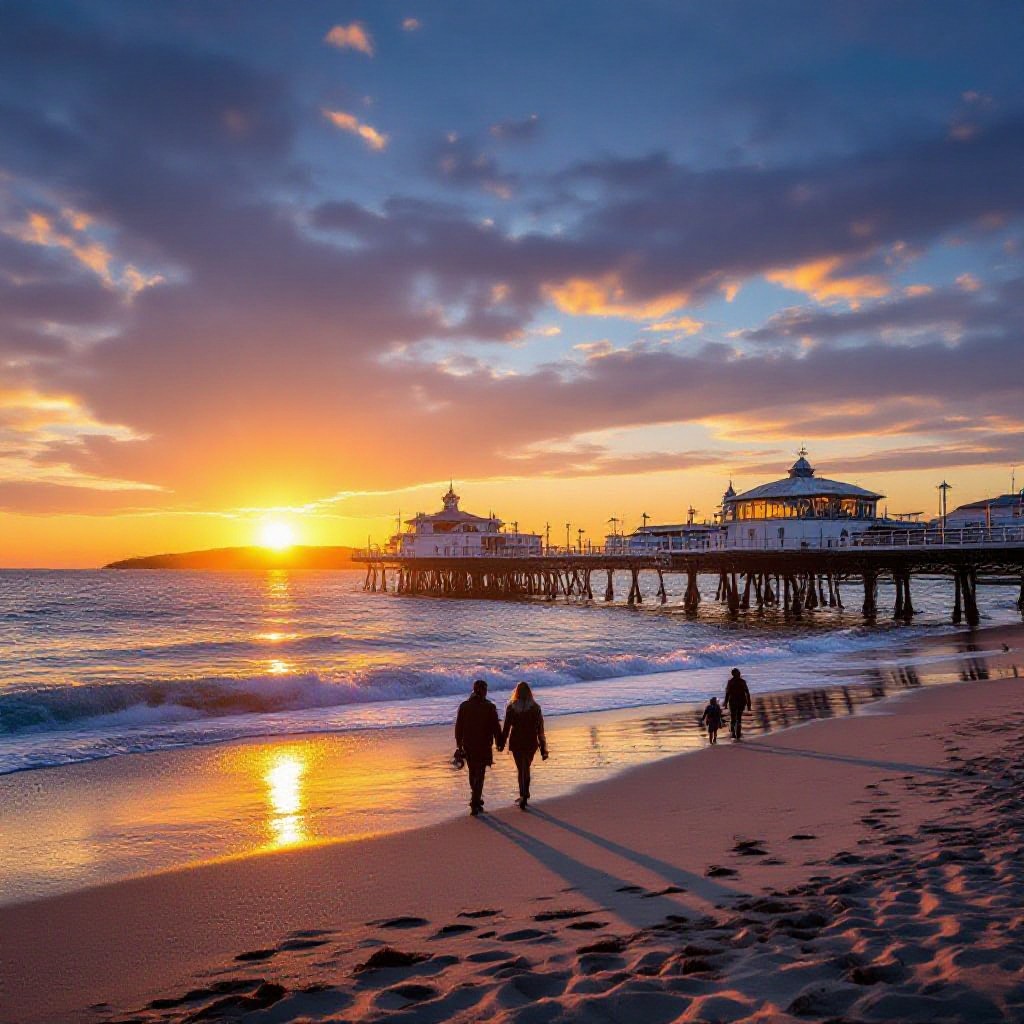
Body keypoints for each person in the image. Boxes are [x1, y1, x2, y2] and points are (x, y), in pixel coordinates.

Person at [454, 679, 503, 816]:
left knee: (472, 772)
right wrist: (499, 742)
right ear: (484, 691)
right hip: (484, 745)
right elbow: (496, 727)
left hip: (469, 744)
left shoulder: (464, 706)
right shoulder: (489, 707)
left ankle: (475, 798)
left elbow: (459, 728)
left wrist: (459, 744)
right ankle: (475, 801)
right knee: (480, 774)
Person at [500, 681, 548, 810]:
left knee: (521, 768)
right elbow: (540, 730)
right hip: (531, 742)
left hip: (516, 741)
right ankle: (525, 793)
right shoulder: (535, 707)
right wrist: (544, 749)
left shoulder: (511, 707)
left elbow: (506, 728)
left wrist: (501, 743)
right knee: (526, 767)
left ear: (516, 692)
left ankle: (523, 794)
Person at [723, 668, 752, 740]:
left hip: (735, 702)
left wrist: (726, 703)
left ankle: (734, 733)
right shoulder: (742, 682)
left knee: (734, 717)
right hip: (740, 701)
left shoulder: (730, 682)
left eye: (739, 672)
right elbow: (747, 693)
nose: (739, 674)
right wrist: (749, 704)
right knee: (738, 717)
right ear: (735, 674)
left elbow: (727, 693)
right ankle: (736, 733)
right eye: (738, 673)